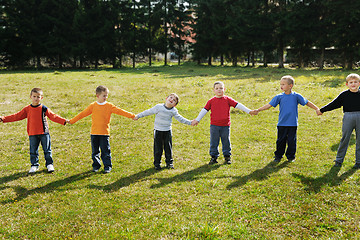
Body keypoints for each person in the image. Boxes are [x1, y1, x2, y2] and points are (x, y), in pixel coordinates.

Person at [68, 85, 135, 173]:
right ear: (97, 95)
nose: (106, 97)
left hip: (104, 133)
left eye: (106, 95)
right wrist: (72, 121)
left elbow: (120, 111)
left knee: (105, 151)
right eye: (104, 96)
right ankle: (96, 166)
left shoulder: (109, 106)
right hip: (94, 133)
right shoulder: (93, 106)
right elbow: (82, 114)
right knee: (95, 151)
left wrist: (132, 116)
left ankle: (107, 166)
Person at [0, 88, 68, 173]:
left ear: (41, 98)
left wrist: (63, 121)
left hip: (44, 133)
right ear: (30, 97)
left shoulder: (44, 108)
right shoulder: (27, 109)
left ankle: (49, 164)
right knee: (33, 151)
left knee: (47, 150)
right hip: (32, 133)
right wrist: (3, 118)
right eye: (34, 96)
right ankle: (34, 165)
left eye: (38, 97)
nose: (36, 98)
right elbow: (16, 116)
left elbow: (53, 116)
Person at [255, 75, 321, 163]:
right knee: (280, 141)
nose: (281, 86)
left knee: (291, 141)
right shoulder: (279, 97)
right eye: (280, 84)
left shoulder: (296, 96)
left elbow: (307, 102)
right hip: (282, 123)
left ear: (290, 86)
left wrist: (316, 108)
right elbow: (269, 105)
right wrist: (258, 110)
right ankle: (278, 156)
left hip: (292, 124)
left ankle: (290, 157)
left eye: (283, 84)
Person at [193, 81, 257, 165]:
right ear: (213, 90)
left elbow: (238, 105)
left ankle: (227, 157)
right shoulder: (211, 101)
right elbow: (204, 110)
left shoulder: (227, 99)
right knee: (214, 142)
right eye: (217, 88)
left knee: (226, 141)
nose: (219, 90)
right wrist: (197, 119)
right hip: (214, 126)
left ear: (224, 89)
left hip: (225, 126)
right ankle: (214, 157)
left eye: (221, 88)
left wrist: (249, 111)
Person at [134, 93, 194, 170]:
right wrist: (138, 116)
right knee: (158, 148)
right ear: (166, 98)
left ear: (175, 105)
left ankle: (169, 163)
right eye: (171, 97)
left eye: (174, 100)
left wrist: (190, 122)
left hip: (167, 132)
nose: (172, 100)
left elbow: (180, 119)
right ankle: (157, 163)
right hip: (158, 131)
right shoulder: (158, 107)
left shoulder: (173, 111)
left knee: (168, 148)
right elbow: (148, 112)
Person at [319, 73, 360, 168]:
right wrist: (322, 110)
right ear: (347, 84)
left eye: (355, 82)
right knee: (345, 138)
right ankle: (339, 160)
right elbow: (334, 104)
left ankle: (358, 162)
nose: (353, 84)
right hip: (348, 117)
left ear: (359, 83)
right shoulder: (344, 95)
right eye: (351, 82)